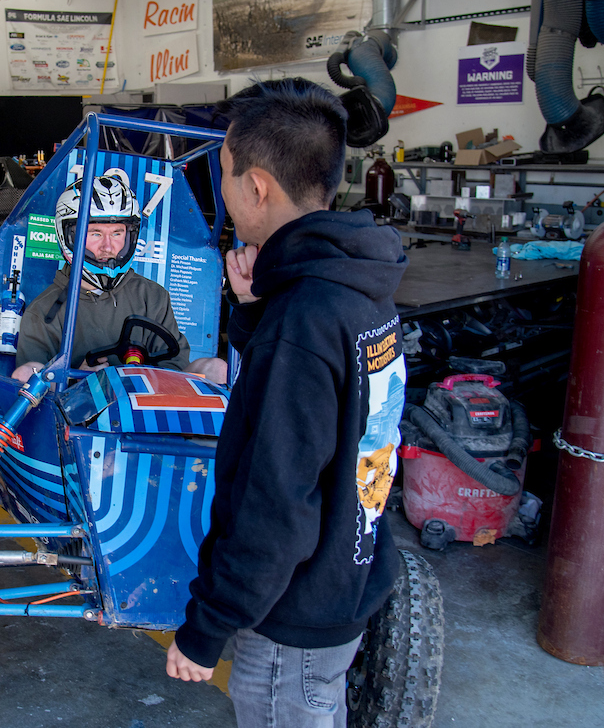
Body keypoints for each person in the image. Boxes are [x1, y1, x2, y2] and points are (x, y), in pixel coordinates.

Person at [165, 78, 408, 728]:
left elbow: (274, 504)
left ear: (258, 187)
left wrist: (205, 627)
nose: (224, 191)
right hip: (345, 578)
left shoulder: (302, 320)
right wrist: (252, 315)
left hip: (290, 619)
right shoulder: (358, 288)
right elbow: (337, 419)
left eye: (224, 173)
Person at [12, 173, 226, 384]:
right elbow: (35, 396)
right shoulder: (43, 312)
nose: (108, 246)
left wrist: (144, 378)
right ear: (69, 237)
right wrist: (78, 381)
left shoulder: (152, 296)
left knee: (217, 369)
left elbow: (175, 365)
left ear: (130, 236)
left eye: (117, 233)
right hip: (80, 415)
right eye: (95, 233)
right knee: (25, 374)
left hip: (145, 407)